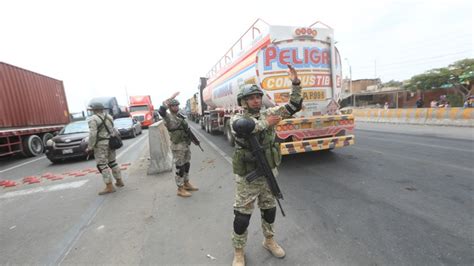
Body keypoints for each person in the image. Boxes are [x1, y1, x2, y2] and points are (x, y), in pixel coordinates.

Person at [229, 64, 303, 266]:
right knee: (242, 217)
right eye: (252, 97)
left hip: (268, 173)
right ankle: (238, 252)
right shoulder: (237, 118)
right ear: (243, 101)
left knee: (269, 210)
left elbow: (293, 106)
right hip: (248, 178)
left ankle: (269, 240)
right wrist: (267, 123)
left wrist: (295, 83)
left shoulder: (269, 112)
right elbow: (243, 128)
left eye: (258, 96)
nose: (256, 100)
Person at [158, 94, 198, 197]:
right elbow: (161, 112)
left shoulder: (180, 116)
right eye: (173, 106)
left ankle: (186, 183)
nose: (176, 107)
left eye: (177, 105)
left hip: (185, 144)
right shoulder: (168, 117)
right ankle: (180, 188)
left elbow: (186, 129)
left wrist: (194, 140)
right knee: (180, 167)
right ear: (170, 107)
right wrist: (165, 104)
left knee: (186, 164)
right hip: (177, 146)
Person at [86, 102, 124, 195]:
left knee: (102, 165)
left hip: (101, 145)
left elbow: (93, 134)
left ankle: (109, 186)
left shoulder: (93, 119)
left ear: (94, 110)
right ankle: (119, 181)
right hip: (111, 143)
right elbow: (113, 130)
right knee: (113, 162)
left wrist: (90, 146)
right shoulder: (109, 117)